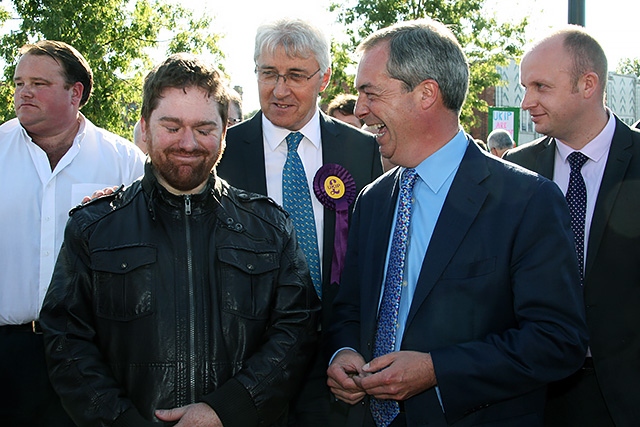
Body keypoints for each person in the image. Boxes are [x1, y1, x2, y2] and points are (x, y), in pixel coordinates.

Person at [326, 19, 589, 427]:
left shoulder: (526, 200)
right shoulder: (373, 200)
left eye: (370, 93)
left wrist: (436, 370)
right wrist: (343, 353)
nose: (360, 110)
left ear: (426, 94)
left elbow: (558, 341)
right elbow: (349, 308)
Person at [39, 53, 320, 427]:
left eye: (204, 129)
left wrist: (226, 409)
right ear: (144, 127)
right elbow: (66, 342)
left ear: (224, 132)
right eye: (172, 126)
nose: (188, 143)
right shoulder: (93, 228)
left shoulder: (270, 227)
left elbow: (296, 333)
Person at [216, 18, 383, 426]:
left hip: (340, 360)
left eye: (295, 75)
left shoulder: (362, 151)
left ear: (323, 77)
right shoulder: (222, 150)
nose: (279, 89)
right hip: (248, 361)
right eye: (268, 73)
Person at [0, 40, 145, 427]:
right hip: (7, 353)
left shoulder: (124, 161)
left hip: (92, 354)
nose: (23, 92)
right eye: (18, 83)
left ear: (75, 92)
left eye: (38, 83)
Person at [503, 26, 640, 426]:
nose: (526, 101)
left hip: (625, 393)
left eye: (541, 87)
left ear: (588, 84)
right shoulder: (516, 168)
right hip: (531, 390)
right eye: (525, 86)